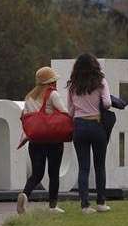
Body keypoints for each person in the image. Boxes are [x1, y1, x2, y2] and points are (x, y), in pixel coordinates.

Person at [17, 66, 67, 215]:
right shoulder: (53, 94)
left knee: (37, 174)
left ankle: (25, 194)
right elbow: (64, 113)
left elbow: (25, 117)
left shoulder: (29, 97)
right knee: (53, 173)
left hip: (35, 141)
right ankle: (52, 206)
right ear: (50, 82)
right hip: (53, 140)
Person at [66, 53, 111, 214]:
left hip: (79, 126)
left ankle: (85, 205)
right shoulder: (101, 82)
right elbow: (107, 103)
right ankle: (101, 202)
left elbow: (70, 111)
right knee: (99, 166)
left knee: (83, 167)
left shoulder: (73, 85)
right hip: (96, 125)